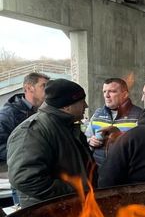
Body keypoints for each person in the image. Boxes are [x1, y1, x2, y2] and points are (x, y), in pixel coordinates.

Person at [7, 79, 95, 207]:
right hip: (50, 214)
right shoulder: (32, 131)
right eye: (81, 101)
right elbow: (25, 179)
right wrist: (74, 190)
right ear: (66, 106)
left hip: (70, 208)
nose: (86, 106)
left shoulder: (66, 126)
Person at [86, 78, 142, 167]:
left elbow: (142, 146)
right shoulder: (97, 113)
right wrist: (90, 141)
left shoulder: (139, 115)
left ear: (125, 95)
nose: (106, 95)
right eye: (104, 91)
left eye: (112, 91)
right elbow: (87, 137)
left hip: (126, 172)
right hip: (99, 171)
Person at [0, 72, 50, 172]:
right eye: (43, 86)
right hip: (17, 170)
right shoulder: (8, 114)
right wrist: (34, 152)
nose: (48, 90)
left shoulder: (46, 110)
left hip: (40, 164)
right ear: (29, 88)